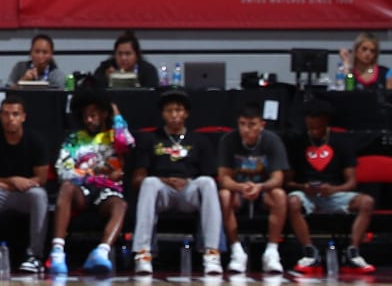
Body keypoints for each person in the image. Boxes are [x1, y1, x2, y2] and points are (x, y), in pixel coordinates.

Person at [128, 88, 222, 276]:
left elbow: (210, 174)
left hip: (189, 191)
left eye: (178, 110)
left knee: (208, 183)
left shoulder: (199, 140)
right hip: (162, 191)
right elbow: (137, 178)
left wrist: (187, 181)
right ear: (163, 114)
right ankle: (143, 253)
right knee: (149, 183)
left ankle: (212, 253)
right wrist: (164, 180)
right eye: (169, 110)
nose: (174, 115)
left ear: (186, 113)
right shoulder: (151, 139)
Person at [47, 86, 133, 276]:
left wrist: (116, 115)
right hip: (82, 189)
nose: (89, 120)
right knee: (66, 187)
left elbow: (126, 143)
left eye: (94, 115)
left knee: (120, 205)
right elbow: (63, 171)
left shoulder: (113, 136)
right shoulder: (74, 139)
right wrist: (93, 172)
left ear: (103, 114)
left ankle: (101, 252)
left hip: (107, 191)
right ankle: (58, 252)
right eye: (86, 116)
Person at [285, 100, 373, 274]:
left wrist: (334, 189)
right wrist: (304, 187)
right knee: (292, 201)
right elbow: (287, 182)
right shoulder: (297, 142)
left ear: (326, 122)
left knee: (367, 202)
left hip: (334, 193)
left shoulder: (342, 143)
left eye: (317, 127)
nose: (313, 132)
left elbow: (351, 182)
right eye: (310, 128)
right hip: (307, 194)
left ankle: (353, 252)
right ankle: (310, 252)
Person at [0, 97, 51, 275]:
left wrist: (22, 183)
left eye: (15, 114)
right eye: (6, 114)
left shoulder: (35, 141)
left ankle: (34, 256)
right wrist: (13, 180)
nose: (10, 118)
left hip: (26, 193)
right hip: (2, 192)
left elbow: (41, 178)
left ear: (23, 117)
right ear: (0, 117)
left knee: (39, 195)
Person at [217, 101, 290, 276]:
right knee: (224, 195)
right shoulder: (228, 140)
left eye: (252, 125)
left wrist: (260, 187)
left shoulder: (272, 141)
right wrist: (240, 187)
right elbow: (223, 178)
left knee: (279, 195)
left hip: (263, 190)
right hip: (239, 191)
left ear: (261, 125)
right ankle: (236, 251)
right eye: (242, 124)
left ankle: (272, 252)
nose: (246, 129)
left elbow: (278, 178)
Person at [90, 30, 158, 89]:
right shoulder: (104, 69)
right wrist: (106, 80)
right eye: (119, 53)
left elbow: (151, 95)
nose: (123, 58)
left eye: (128, 54)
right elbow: (94, 93)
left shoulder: (148, 70)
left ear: (136, 55)